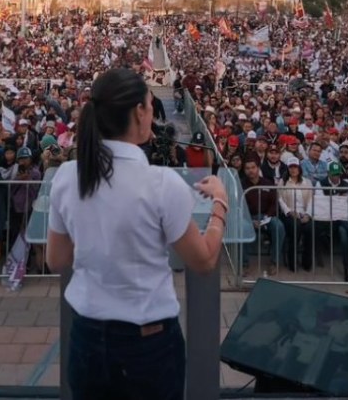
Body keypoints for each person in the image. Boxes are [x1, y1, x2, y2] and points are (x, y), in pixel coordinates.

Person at [47, 68, 228, 400]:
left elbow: (56, 258)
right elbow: (203, 260)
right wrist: (220, 202)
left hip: (86, 336)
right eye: (149, 104)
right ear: (139, 113)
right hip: (148, 345)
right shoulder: (162, 183)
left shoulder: (67, 176)